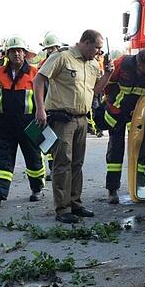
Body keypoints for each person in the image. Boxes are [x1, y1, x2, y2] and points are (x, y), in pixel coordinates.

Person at [33, 29, 109, 224]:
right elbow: (39, 79)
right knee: (62, 163)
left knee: (77, 163)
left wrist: (108, 74)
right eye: (97, 47)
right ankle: (62, 208)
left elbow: (95, 91)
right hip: (62, 119)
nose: (98, 52)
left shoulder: (92, 64)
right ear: (85, 42)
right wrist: (40, 109)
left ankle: (75, 203)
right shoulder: (63, 57)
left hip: (82, 118)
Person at [0, 37, 46, 209]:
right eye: (13, 51)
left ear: (25, 53)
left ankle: (37, 188)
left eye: (20, 50)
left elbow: (44, 97)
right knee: (2, 160)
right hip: (5, 123)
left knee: (33, 157)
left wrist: (43, 115)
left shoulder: (34, 72)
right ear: (7, 54)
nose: (17, 53)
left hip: (30, 121)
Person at [97, 48, 145, 204]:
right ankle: (112, 189)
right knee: (115, 150)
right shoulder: (122, 64)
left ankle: (139, 186)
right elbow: (106, 84)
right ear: (139, 66)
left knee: (140, 148)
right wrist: (112, 102)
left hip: (138, 116)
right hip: (116, 112)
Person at [38, 31, 66, 180]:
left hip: (60, 107)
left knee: (60, 140)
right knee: (48, 140)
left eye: (53, 48)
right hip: (47, 107)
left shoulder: (64, 62)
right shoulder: (42, 66)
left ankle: (59, 167)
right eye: (48, 49)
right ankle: (53, 168)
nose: (50, 51)